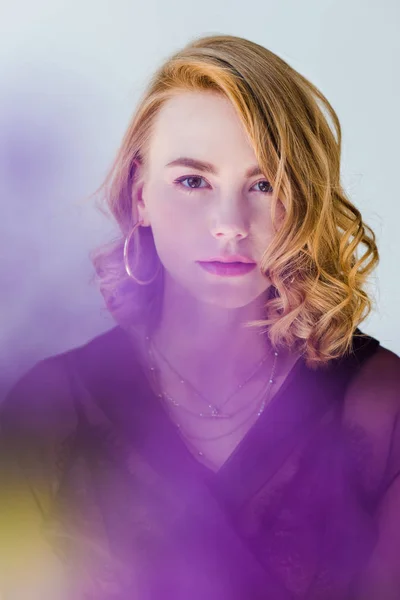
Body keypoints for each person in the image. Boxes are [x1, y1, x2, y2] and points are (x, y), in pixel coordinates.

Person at [0, 33, 399, 600]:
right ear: (140, 194)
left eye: (265, 184)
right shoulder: (49, 410)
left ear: (304, 198)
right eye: (193, 181)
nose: (230, 224)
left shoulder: (381, 408)